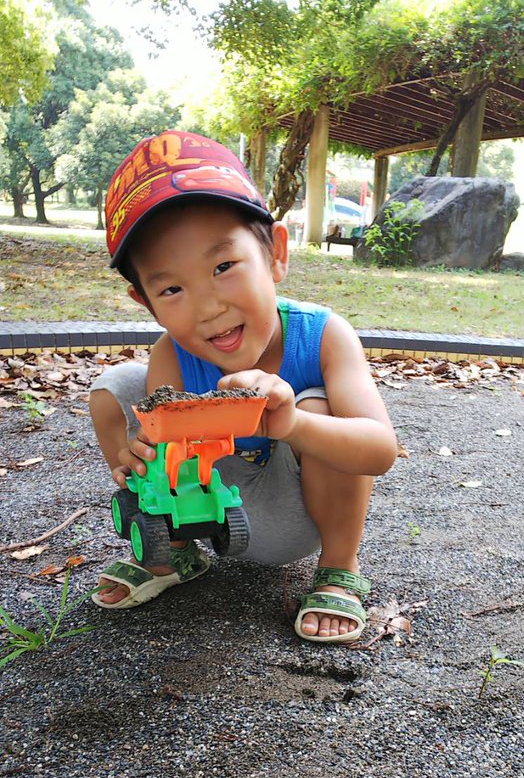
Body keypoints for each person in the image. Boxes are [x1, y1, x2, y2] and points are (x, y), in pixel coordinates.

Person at [90, 130, 398, 644]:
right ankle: (175, 554)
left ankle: (339, 569)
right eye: (171, 288)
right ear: (145, 301)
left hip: (293, 514)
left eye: (223, 267)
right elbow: (170, 447)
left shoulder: (323, 336)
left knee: (318, 402)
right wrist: (142, 456)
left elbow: (380, 449)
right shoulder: (171, 352)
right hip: (209, 504)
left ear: (276, 253)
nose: (208, 306)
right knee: (116, 386)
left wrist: (294, 423)